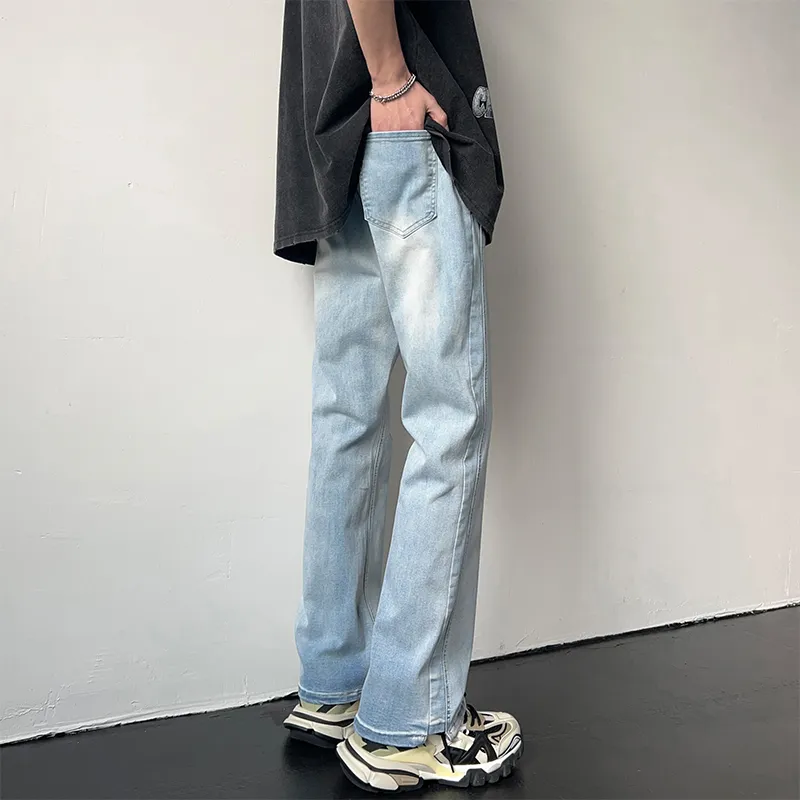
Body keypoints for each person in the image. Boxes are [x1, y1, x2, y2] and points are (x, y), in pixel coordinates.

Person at [274, 0, 522, 792]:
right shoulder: (395, 91)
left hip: (341, 138)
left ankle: (337, 681)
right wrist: (390, 77)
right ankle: (408, 720)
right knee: (449, 420)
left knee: (346, 414)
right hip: (399, 120)